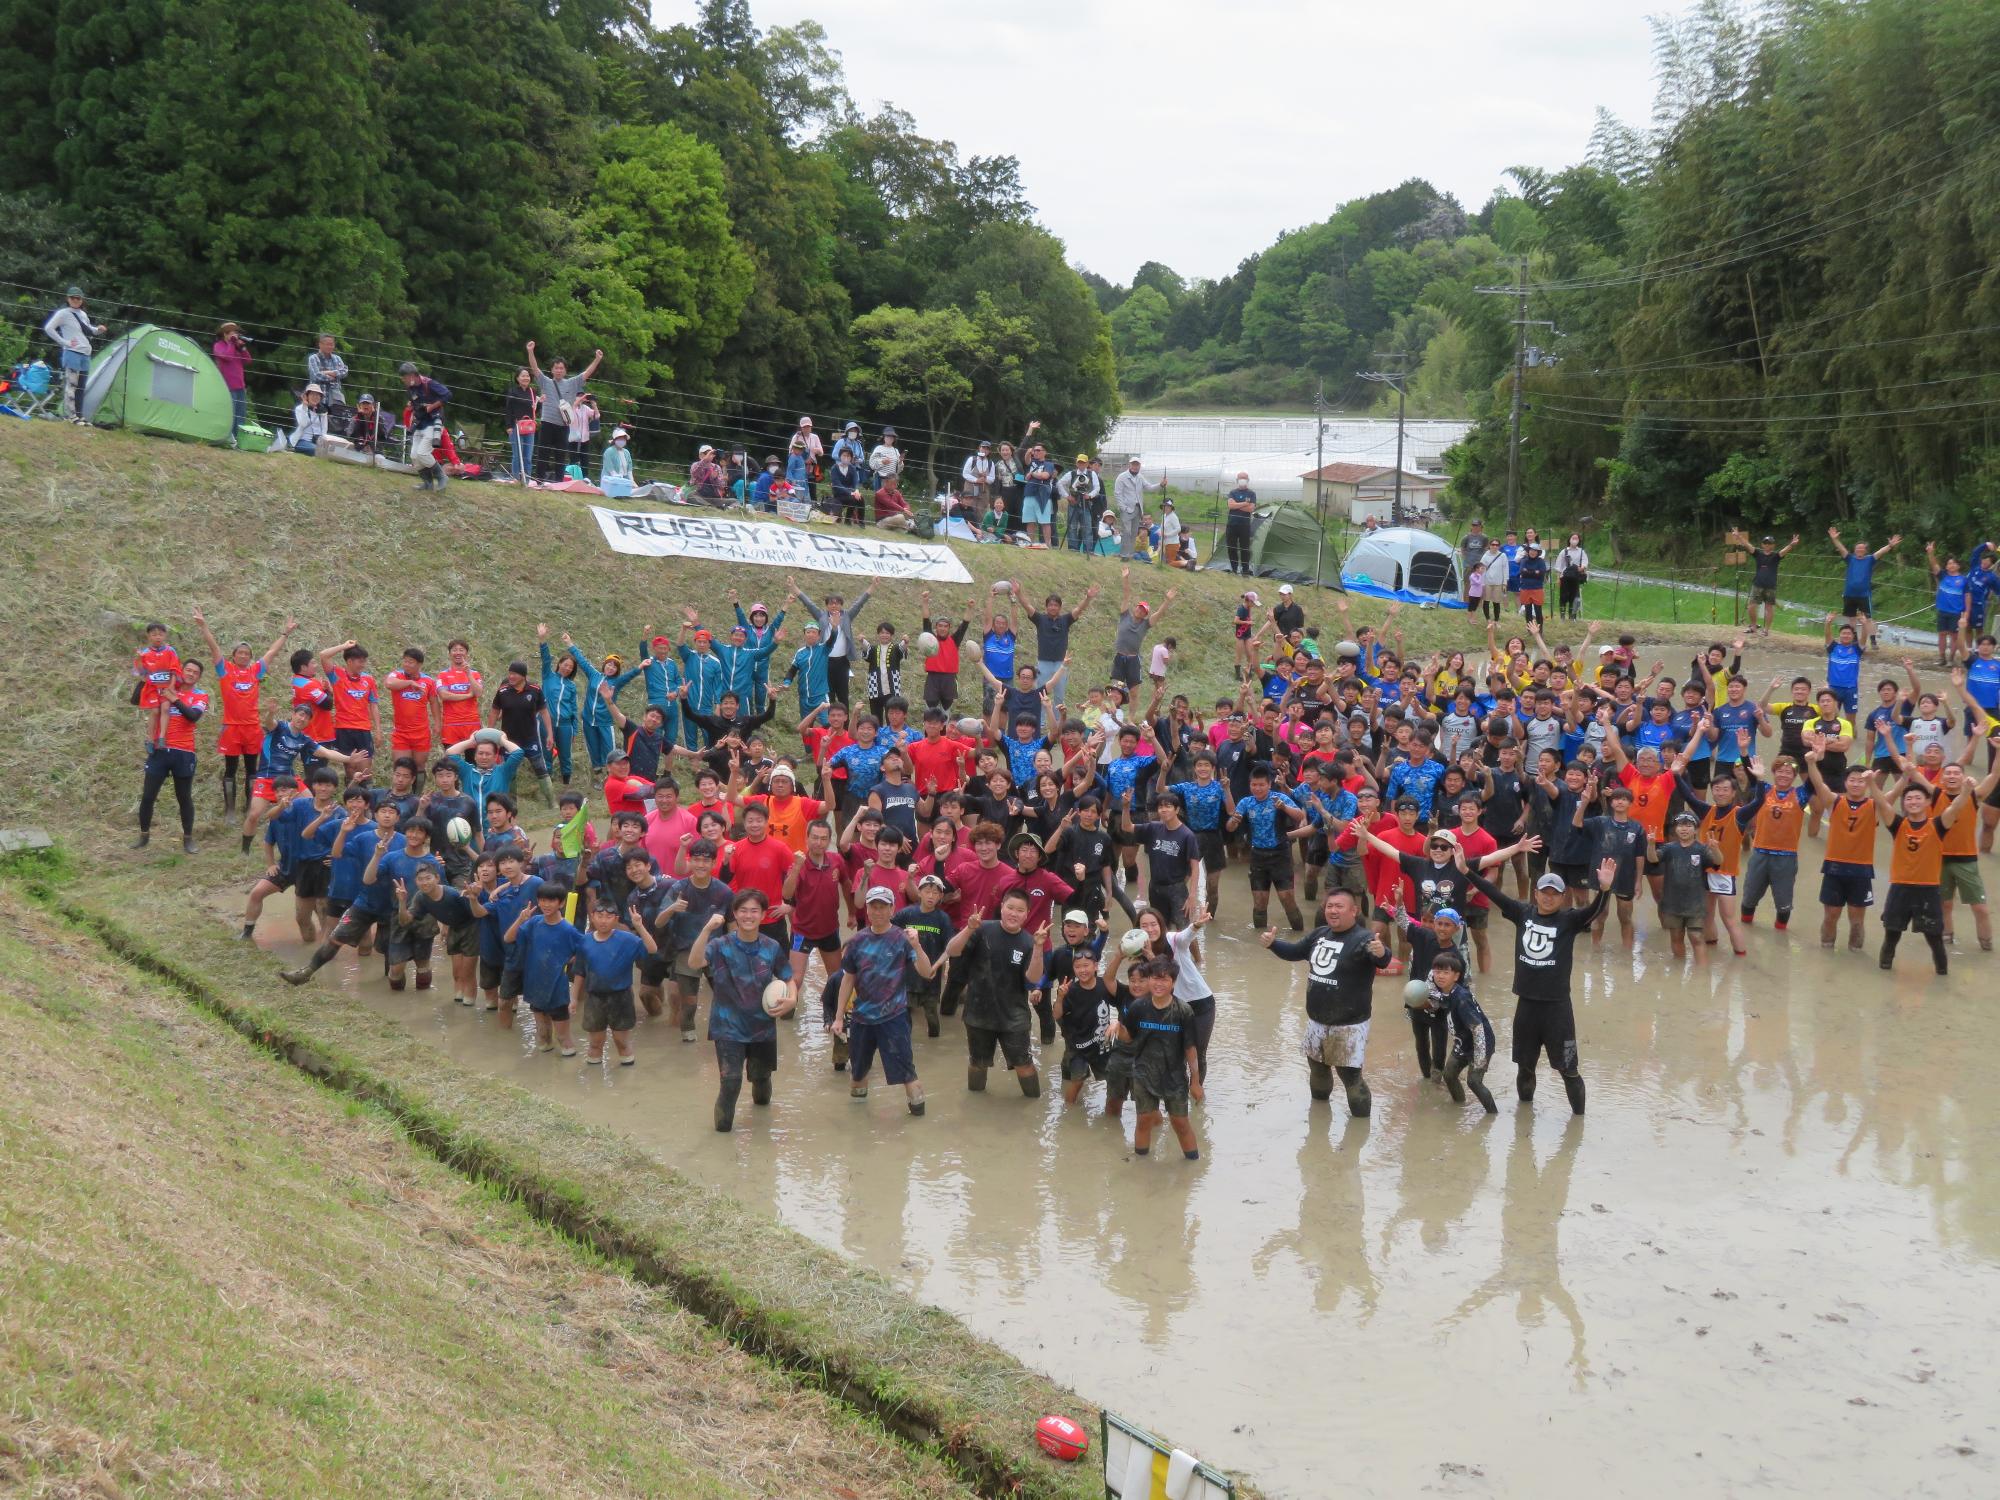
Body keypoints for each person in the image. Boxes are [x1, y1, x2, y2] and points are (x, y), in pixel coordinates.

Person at [1461, 855, 1617, 1115]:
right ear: (1535, 893)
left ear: (1562, 896)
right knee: (1525, 1067)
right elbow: (1492, 892)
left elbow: (1594, 911)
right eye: (1544, 892)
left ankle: (1578, 1123)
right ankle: (1525, 1119)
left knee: (1569, 1069)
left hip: (1558, 1009)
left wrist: (1604, 889)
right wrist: (1466, 870)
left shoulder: (1570, 920)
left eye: (1554, 894)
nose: (1548, 897)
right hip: (1527, 1006)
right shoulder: (1522, 913)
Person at [1262, 888, 1387, 1115]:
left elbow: (1382, 960)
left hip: (1349, 1024)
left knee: (1350, 1076)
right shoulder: (1320, 934)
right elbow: (1294, 952)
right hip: (1316, 1020)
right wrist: (1273, 944)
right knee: (1317, 1068)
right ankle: (1318, 1120)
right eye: (1329, 906)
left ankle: (1359, 1131)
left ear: (1354, 910)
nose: (1333, 911)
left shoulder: (1364, 939)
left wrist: (1382, 952)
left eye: (1339, 906)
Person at [691, 889, 797, 1131]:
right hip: (727, 1027)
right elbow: (695, 963)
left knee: (761, 1085)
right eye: (743, 911)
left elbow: (788, 977)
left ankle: (762, 1132)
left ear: (762, 915)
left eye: (754, 911)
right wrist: (707, 929)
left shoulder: (771, 947)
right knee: (730, 1082)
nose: (748, 916)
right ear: (735, 914)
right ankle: (722, 1138)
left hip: (762, 1026)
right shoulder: (720, 945)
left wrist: (791, 999)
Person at [832, 887, 939, 1113]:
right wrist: (839, 1017)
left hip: (894, 1018)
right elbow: (847, 980)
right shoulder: (857, 941)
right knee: (858, 1073)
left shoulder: (903, 938)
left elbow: (927, 971)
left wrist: (917, 946)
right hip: (861, 1019)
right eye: (873, 906)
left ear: (892, 909)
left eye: (883, 907)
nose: (878, 911)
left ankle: (918, 1116)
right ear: (867, 909)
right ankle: (858, 1120)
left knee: (907, 1073)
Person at [942, 889, 1047, 1096]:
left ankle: (1032, 1101)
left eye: (1020, 910)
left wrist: (1038, 948)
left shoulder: (1028, 942)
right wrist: (969, 929)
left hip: (1014, 1016)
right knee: (978, 1063)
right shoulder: (982, 930)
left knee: (1024, 1064)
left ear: (1027, 914)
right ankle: (975, 1105)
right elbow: (952, 951)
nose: (1014, 914)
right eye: (1010, 908)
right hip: (978, 1012)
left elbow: (1033, 979)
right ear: (1002, 908)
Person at [1871, 776, 1972, 975]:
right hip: (1900, 887)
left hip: (1928, 889)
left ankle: (1942, 972)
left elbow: (1956, 807)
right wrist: (1870, 784)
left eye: (1918, 798)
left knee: (1934, 936)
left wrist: (1967, 790)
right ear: (1904, 804)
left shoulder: (1938, 825)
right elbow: (1882, 803)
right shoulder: (1898, 824)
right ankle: (1885, 968)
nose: (1913, 802)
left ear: (1927, 802)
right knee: (1892, 933)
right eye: (1908, 799)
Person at [1108, 958, 1203, 1159]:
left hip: (1174, 1076)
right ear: (1149, 980)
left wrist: (1195, 1081)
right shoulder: (1138, 1007)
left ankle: (1193, 1166)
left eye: (1164, 979)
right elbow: (1129, 1038)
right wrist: (1118, 1026)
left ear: (1173, 983)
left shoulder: (1183, 1011)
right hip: (1143, 1073)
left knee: (1181, 1123)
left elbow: (1191, 1049)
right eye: (1154, 978)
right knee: (1144, 1121)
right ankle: (1141, 1166)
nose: (1158, 984)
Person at [134, 660, 208, 853]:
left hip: (184, 753)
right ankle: (143, 836)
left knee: (184, 797)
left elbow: (193, 716)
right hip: (160, 750)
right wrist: (145, 681)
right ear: (181, 672)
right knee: (148, 796)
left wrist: (174, 699)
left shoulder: (200, 695)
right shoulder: (163, 689)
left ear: (199, 677)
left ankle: (188, 839)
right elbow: (136, 700)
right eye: (188, 670)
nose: (191, 674)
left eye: (195, 672)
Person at [524, 342, 604, 482]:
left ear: (565, 370)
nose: (559, 370)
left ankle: (559, 482)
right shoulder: (546, 382)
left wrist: (597, 359)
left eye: (561, 368)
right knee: (543, 453)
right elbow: (535, 369)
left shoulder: (572, 383)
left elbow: (586, 374)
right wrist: (530, 351)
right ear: (552, 370)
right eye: (556, 368)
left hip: (564, 425)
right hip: (547, 422)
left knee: (560, 455)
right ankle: (539, 480)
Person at [1828, 526, 1903, 651]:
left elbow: (1880, 552)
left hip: (1864, 595)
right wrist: (1835, 539)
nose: (1860, 550)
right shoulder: (1850, 558)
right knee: (1851, 618)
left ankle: (1873, 641)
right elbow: (1841, 549)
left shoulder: (1869, 559)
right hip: (1849, 594)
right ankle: (1855, 640)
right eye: (1858, 548)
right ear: (1855, 550)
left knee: (1869, 619)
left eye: (1862, 548)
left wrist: (1890, 546)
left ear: (1865, 550)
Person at [42, 286, 106, 424]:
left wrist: (99, 330)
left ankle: (79, 415)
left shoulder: (83, 314)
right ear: (68, 299)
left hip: (85, 353)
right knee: (72, 385)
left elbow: (90, 330)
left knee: (81, 386)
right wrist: (64, 342)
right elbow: (49, 328)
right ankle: (71, 416)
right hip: (72, 353)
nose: (76, 300)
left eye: (78, 298)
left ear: (82, 300)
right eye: (73, 298)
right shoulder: (63, 313)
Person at [398, 361, 451, 491]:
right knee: (414, 456)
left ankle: (442, 477)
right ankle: (427, 483)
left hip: (433, 422)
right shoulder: (410, 390)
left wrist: (432, 406)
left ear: (412, 375)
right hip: (420, 423)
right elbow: (416, 404)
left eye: (404, 377)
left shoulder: (429, 384)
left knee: (423, 453)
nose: (403, 380)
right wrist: (413, 406)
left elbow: (447, 394)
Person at [1738, 532, 1802, 635]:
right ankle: (1753, 627)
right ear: (1762, 545)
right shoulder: (1758, 554)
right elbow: (1748, 545)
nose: (1767, 545)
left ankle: (1766, 630)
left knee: (1769, 608)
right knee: (1751, 606)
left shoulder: (1776, 556)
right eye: (1765, 543)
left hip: (1770, 586)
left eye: (1770, 543)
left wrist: (1792, 544)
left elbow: (1784, 551)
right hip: (1757, 585)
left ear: (1773, 545)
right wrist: (1739, 537)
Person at [1113, 457, 1166, 560]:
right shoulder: (1121, 477)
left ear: (1139, 466)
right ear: (1129, 465)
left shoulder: (1140, 477)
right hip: (1127, 509)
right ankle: (1124, 554)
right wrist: (1123, 507)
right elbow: (1117, 493)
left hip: (1138, 509)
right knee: (1127, 531)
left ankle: (1130, 554)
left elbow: (1149, 487)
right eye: (1133, 464)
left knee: (1133, 532)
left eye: (1137, 464)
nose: (1135, 466)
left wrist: (1160, 485)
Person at [212, 323, 253, 443]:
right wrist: (231, 343)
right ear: (225, 334)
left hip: (240, 386)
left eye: (236, 333)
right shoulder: (218, 346)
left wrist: (242, 348)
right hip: (228, 386)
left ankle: (238, 440)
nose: (235, 335)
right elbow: (227, 357)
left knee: (240, 415)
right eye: (232, 333)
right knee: (230, 414)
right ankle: (228, 439)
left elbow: (248, 360)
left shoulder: (237, 346)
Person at [1058, 455, 1102, 553]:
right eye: (1079, 462)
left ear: (1087, 464)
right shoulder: (1071, 474)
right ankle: (1073, 548)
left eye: (1083, 462)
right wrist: (1067, 496)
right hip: (1073, 504)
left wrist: (1089, 496)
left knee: (1087, 528)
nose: (1081, 464)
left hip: (1087, 504)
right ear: (1076, 463)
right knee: (1072, 527)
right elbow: (1060, 483)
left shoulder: (1092, 474)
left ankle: (1088, 550)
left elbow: (1097, 487)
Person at [306, 333, 348, 411]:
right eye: (327, 344)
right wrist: (334, 376)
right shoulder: (313, 358)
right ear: (320, 344)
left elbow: (345, 371)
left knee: (335, 421)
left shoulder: (337, 358)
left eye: (331, 344)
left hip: (335, 399)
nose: (330, 347)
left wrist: (329, 372)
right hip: (318, 398)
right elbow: (316, 375)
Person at [1554, 534, 1589, 620]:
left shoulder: (1581, 551)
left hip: (1576, 577)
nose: (1574, 540)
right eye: (1573, 538)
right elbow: (1558, 566)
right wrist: (1558, 578)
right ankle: (1562, 616)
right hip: (1564, 577)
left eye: (1576, 538)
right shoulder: (1564, 551)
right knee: (1563, 596)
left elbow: (1585, 562)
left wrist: (1582, 568)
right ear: (1569, 539)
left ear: (1579, 540)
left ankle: (1572, 616)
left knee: (1574, 597)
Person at [288, 383, 328, 455]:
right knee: (317, 450)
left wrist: (323, 443)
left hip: (317, 442)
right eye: (312, 394)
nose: (315, 397)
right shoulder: (300, 409)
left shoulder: (323, 412)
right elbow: (303, 424)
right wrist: (305, 407)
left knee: (327, 450)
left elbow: (324, 430)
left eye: (317, 395)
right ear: (306, 396)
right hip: (302, 440)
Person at [599, 426, 634, 495]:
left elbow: (629, 470)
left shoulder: (627, 452)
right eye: (620, 439)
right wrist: (618, 479)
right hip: (610, 483)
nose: (622, 440)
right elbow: (611, 470)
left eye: (624, 439)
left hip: (624, 482)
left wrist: (632, 482)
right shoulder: (609, 452)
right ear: (615, 440)